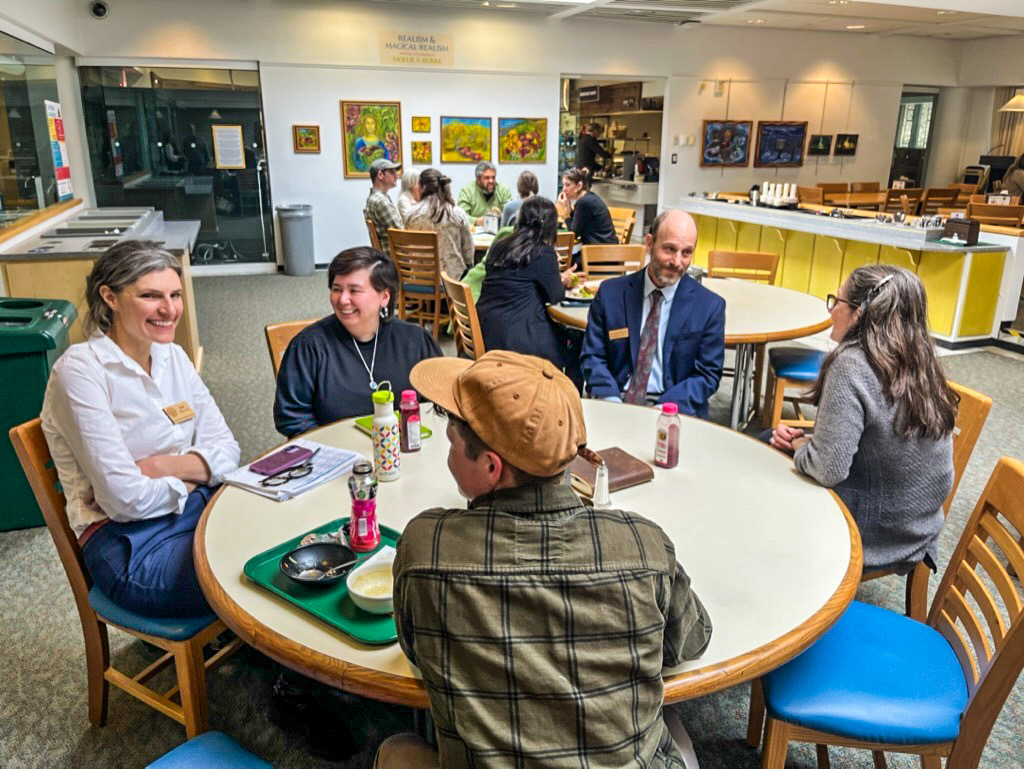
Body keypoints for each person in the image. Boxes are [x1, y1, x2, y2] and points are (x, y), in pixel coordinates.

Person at [376, 350, 712, 769]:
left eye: (451, 445)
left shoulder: (425, 549)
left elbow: (415, 649)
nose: (447, 458)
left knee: (396, 749)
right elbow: (693, 640)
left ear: (491, 466)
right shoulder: (643, 547)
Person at [40, 240, 240, 618]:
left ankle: (268, 658)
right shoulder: (80, 371)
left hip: (198, 511)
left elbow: (228, 451)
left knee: (285, 538)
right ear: (109, 297)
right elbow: (123, 501)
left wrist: (160, 467)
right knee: (257, 570)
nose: (169, 309)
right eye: (151, 296)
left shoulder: (173, 355)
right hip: (129, 546)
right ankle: (284, 669)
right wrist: (196, 479)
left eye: (175, 295)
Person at [770, 265, 956, 573]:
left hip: (873, 535)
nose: (832, 311)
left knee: (770, 459)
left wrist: (803, 447)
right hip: (920, 527)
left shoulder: (851, 364)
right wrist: (810, 444)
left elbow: (829, 469)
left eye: (836, 301)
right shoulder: (924, 362)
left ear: (859, 313)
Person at [274, 247, 441, 437]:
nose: (343, 299)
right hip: (338, 456)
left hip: (404, 450)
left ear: (384, 297)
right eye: (337, 289)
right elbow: (291, 417)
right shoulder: (309, 346)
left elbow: (440, 404)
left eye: (354, 290)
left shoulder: (415, 340)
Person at [581, 209, 725, 417]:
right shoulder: (611, 294)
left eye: (686, 253)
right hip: (616, 400)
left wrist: (665, 408)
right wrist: (611, 402)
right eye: (669, 249)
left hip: (674, 407)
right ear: (649, 243)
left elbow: (707, 374)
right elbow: (592, 356)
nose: (677, 261)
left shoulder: (709, 307)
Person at [477, 197, 576, 369]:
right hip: (519, 339)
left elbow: (517, 279)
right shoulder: (543, 253)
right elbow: (556, 296)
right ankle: (566, 394)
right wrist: (557, 275)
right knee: (576, 342)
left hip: (486, 329)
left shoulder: (498, 245)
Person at [404, 168, 475, 280]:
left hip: (420, 278)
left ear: (421, 187)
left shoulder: (410, 215)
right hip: (453, 280)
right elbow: (469, 252)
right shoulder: (457, 213)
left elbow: (408, 249)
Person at [556, 167, 618, 246]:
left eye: (567, 185)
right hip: (605, 248)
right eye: (563, 185)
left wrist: (566, 214)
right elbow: (577, 225)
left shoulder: (583, 203)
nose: (564, 189)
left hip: (601, 252)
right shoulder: (588, 198)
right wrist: (569, 209)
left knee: (562, 257)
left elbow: (573, 235)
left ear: (579, 186)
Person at [363, 157, 403, 259]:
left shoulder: (374, 197)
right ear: (380, 175)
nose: (397, 176)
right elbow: (402, 235)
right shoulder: (381, 202)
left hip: (387, 256)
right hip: (395, 258)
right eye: (392, 172)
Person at [457, 161, 511, 225]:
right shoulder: (466, 192)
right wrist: (476, 221)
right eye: (487, 178)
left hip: (498, 231)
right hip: (474, 233)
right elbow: (460, 217)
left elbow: (509, 214)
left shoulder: (503, 190)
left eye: (493, 177)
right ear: (478, 179)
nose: (491, 181)